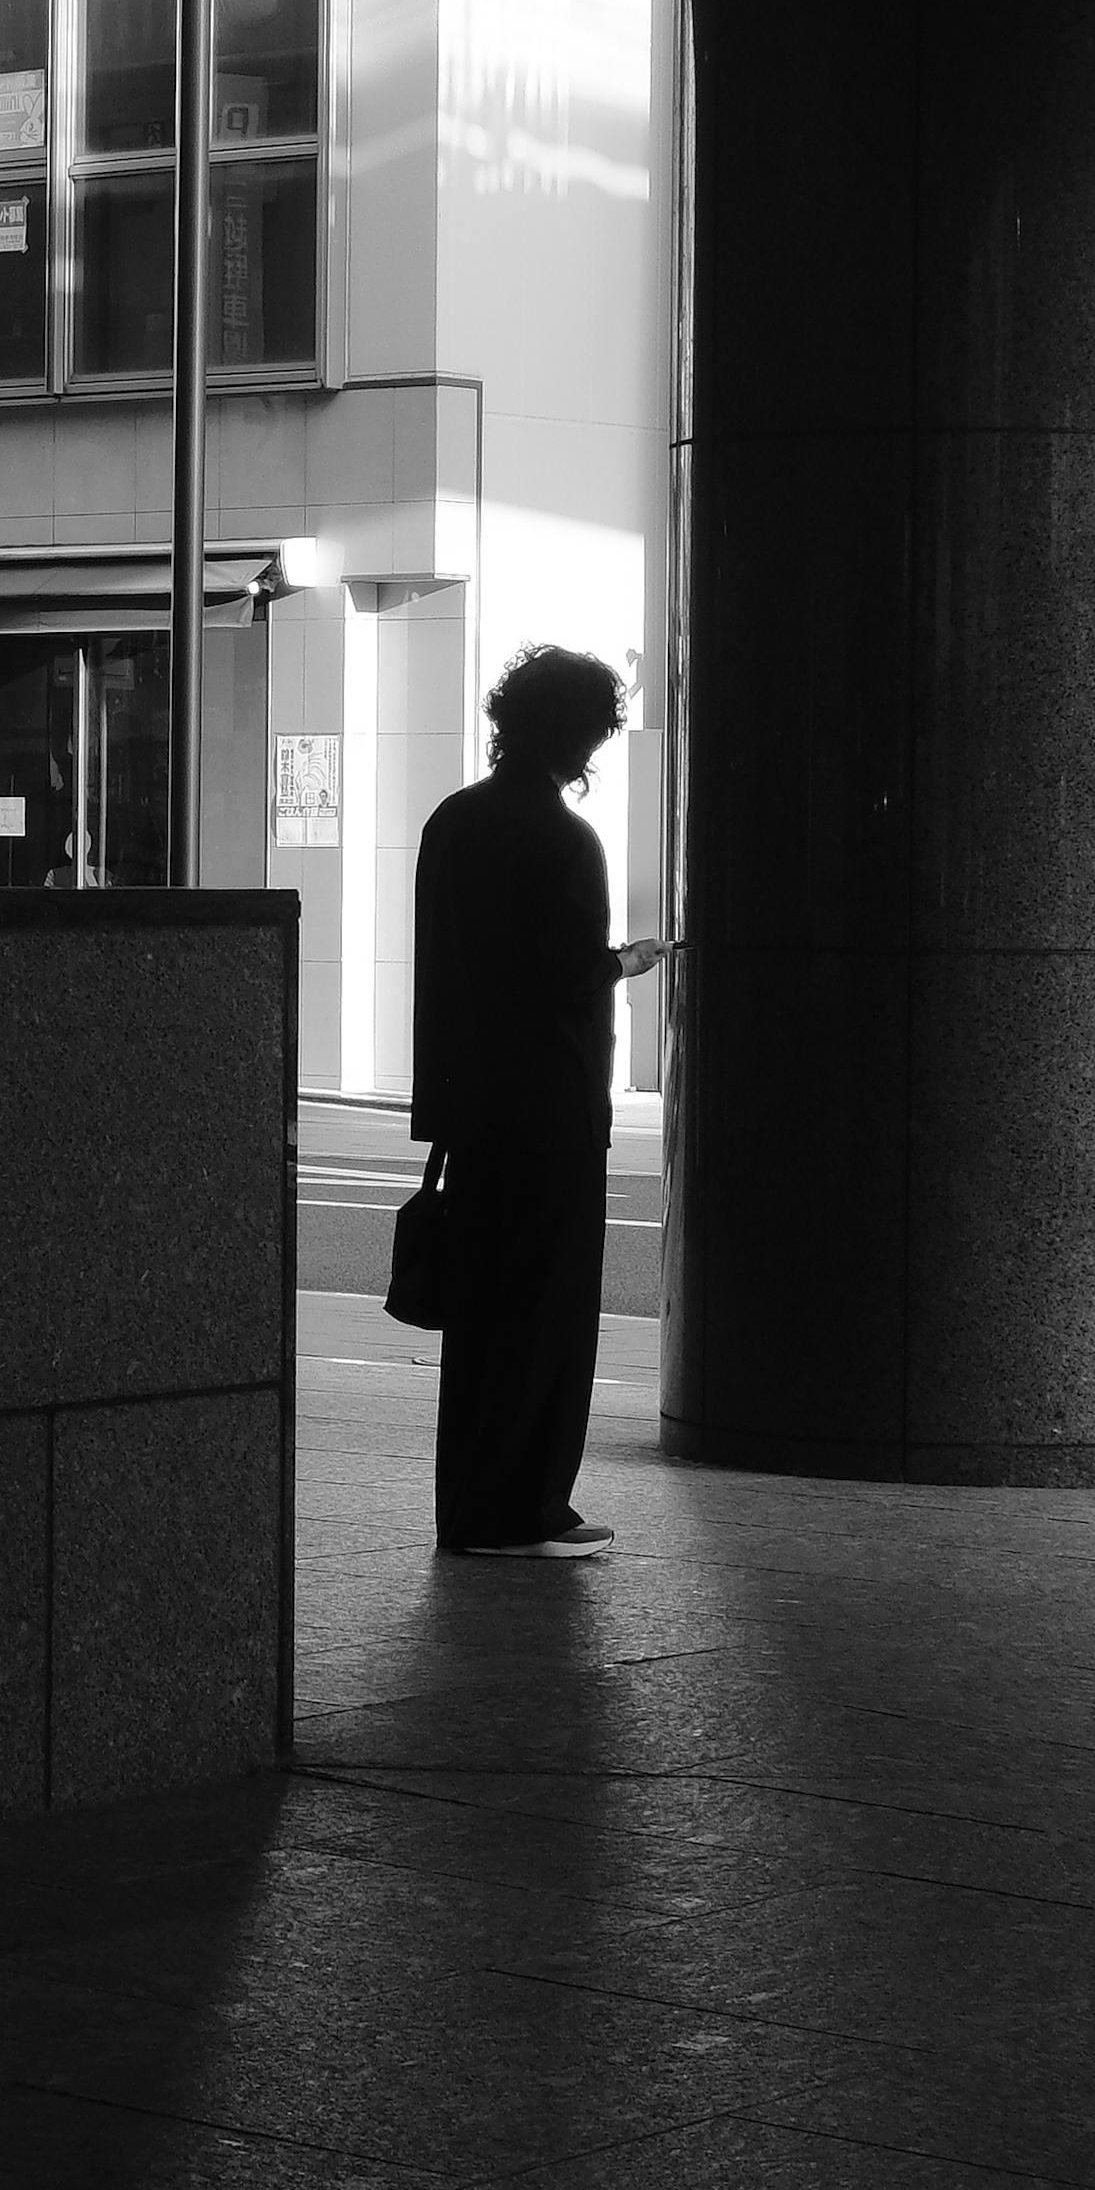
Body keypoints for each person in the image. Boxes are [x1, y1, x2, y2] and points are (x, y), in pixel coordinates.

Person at [409, 644, 667, 1558]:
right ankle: (526, 1509)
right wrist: (624, 963)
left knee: (479, 1326)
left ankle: (469, 1509)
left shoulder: (453, 821)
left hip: (471, 1111)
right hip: (549, 1113)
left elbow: (452, 970)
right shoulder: (564, 839)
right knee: (548, 1319)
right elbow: (557, 977)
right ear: (578, 733)